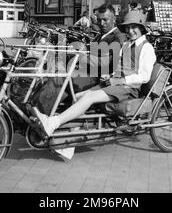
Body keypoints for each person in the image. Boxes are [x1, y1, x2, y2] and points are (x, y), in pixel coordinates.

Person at [31, 11, 156, 160]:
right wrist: (109, 76)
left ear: (141, 28)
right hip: (115, 83)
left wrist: (120, 81)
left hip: (129, 88)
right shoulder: (127, 45)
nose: (130, 31)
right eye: (128, 27)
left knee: (89, 97)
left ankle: (53, 123)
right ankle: (70, 145)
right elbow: (119, 68)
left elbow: (144, 76)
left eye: (134, 27)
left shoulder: (147, 48)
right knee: (78, 96)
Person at [72, 4, 127, 92]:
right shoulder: (101, 35)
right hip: (87, 73)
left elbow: (106, 62)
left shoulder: (119, 37)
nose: (101, 24)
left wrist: (79, 56)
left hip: (98, 79)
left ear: (114, 19)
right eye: (99, 20)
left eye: (105, 20)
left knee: (62, 81)